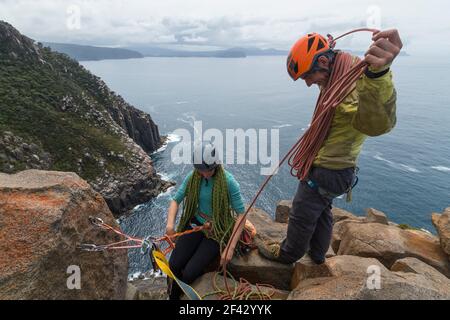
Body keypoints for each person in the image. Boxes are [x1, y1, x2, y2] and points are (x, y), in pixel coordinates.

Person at [258, 29, 403, 264]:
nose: (307, 84)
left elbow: (375, 124)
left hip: (330, 169)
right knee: (323, 210)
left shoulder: (355, 84)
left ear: (324, 61)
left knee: (302, 212)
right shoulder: (340, 72)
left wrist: (379, 75)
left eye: (307, 76)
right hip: (341, 171)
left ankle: (287, 254)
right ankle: (317, 256)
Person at [166, 142, 246, 300]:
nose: (202, 174)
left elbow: (241, 214)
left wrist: (230, 247)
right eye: (199, 170)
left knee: (190, 272)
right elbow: (176, 200)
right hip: (197, 223)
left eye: (206, 170)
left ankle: (184, 296)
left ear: (215, 165)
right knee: (174, 264)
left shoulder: (229, 182)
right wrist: (170, 225)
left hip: (217, 230)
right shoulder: (194, 176)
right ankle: (173, 296)